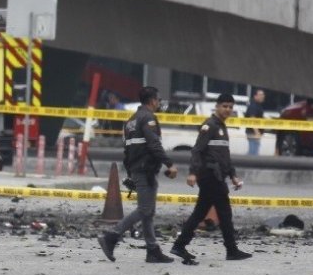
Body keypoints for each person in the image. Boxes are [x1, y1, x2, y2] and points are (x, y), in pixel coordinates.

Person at [98, 86, 184, 264]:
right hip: (145, 170)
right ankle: (111, 236)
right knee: (145, 210)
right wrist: (169, 163)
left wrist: (131, 173)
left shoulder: (130, 120)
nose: (159, 103)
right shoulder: (148, 118)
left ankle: (153, 250)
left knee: (148, 212)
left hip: (138, 169)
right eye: (158, 100)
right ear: (152, 100)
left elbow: (127, 150)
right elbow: (154, 145)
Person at [169, 93, 252, 261]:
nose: (227, 109)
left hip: (217, 175)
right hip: (209, 176)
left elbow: (224, 156)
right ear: (217, 106)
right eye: (224, 106)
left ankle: (179, 245)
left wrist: (233, 176)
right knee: (225, 213)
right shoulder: (210, 126)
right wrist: (193, 173)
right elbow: (197, 150)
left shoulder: (222, 127)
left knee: (200, 213)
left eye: (230, 107)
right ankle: (231, 250)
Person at [245, 89, 266, 156]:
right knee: (253, 154)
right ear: (255, 96)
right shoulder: (253, 106)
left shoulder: (258, 105)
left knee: (253, 152)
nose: (262, 96)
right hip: (253, 133)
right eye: (260, 95)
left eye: (263, 95)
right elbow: (252, 119)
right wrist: (257, 132)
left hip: (255, 133)